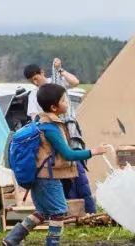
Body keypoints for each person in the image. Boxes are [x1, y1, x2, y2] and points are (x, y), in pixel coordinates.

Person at [3, 84, 110, 246]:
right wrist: (95, 151)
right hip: (47, 177)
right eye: (64, 100)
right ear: (54, 107)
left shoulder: (41, 122)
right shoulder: (51, 128)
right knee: (59, 212)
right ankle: (52, 243)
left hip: (38, 175)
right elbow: (69, 154)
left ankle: (12, 239)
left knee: (43, 212)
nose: (67, 103)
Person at [23, 60, 94, 213]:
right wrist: (94, 152)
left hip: (70, 136)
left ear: (42, 72)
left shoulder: (56, 84)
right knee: (69, 181)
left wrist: (59, 70)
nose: (35, 83)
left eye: (36, 78)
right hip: (54, 151)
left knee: (78, 177)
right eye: (32, 81)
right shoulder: (36, 99)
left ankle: (86, 211)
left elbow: (75, 82)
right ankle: (78, 212)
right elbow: (67, 154)